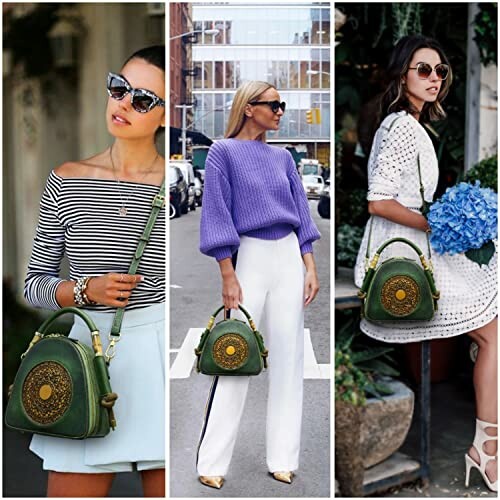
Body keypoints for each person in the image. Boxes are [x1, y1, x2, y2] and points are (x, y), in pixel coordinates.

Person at [354, 35, 497, 492]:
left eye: (439, 71)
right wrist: (438, 224)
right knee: (493, 335)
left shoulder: (408, 124)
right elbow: (378, 202)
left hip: (410, 244)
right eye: (423, 69)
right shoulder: (401, 127)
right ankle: (487, 451)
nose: (434, 78)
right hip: (405, 252)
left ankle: (486, 449)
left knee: (493, 332)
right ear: (402, 74)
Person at [23, 46, 166, 497]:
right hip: (88, 355)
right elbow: (34, 284)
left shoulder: (175, 181)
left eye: (142, 99)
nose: (123, 103)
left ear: (166, 115)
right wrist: (87, 290)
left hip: (160, 354)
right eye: (119, 88)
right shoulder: (68, 177)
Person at [197, 81, 321, 488]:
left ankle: (283, 458)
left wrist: (310, 266)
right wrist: (227, 274)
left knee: (289, 360)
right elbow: (216, 214)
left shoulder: (283, 157)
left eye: (282, 105)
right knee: (235, 354)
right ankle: (211, 463)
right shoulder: (222, 153)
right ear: (250, 108)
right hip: (247, 255)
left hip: (288, 256)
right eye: (274, 105)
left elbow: (302, 214)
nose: (281, 111)